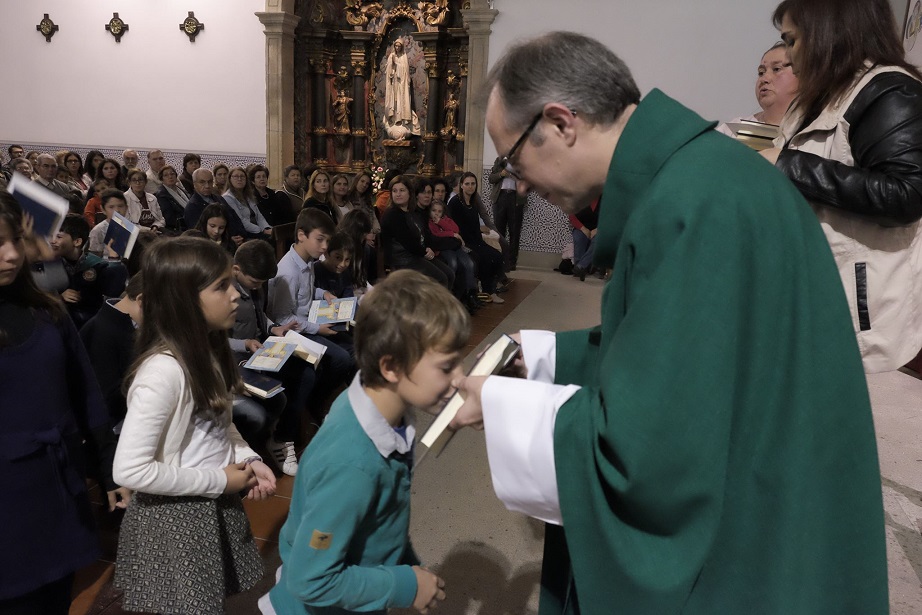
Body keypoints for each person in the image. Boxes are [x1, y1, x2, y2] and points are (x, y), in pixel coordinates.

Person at [449, 31, 888, 614]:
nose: (519, 184)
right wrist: (549, 358)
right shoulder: (703, 175)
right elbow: (681, 353)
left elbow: (652, 455)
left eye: (512, 160)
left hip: (749, 543)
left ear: (559, 123)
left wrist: (507, 408)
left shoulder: (688, 205)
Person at [260, 269, 453, 615]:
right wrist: (403, 586)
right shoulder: (353, 464)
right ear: (391, 367)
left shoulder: (380, 407)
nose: (461, 379)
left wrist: (407, 566)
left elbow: (381, 516)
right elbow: (311, 580)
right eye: (446, 367)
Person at [112, 237, 276, 614]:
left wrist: (248, 457)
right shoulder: (163, 373)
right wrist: (219, 481)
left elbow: (218, 423)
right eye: (221, 286)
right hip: (176, 517)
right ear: (184, 299)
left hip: (208, 499)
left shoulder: (206, 352)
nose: (234, 295)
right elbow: (130, 469)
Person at [761, 0, 922, 374]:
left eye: (792, 40)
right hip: (809, 293)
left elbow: (906, 195)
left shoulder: (890, 91)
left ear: (826, 32)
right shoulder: (815, 100)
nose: (789, 55)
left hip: (858, 311)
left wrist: (787, 164)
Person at [0, 191, 127, 615]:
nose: (11, 255)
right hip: (7, 501)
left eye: (16, 240)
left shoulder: (45, 309)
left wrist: (108, 467)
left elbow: (85, 389)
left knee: (56, 597)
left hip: (56, 489)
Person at [228, 240, 314, 476]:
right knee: (274, 398)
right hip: (237, 359)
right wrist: (244, 343)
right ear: (236, 270)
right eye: (255, 282)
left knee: (305, 372)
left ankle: (282, 437)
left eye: (262, 283)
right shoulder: (226, 294)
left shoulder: (255, 286)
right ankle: (255, 450)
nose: (259, 287)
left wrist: (273, 327)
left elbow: (259, 315)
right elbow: (215, 339)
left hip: (259, 350)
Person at [80, 271, 145, 434]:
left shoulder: (126, 324)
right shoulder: (102, 332)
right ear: (142, 300)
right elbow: (106, 398)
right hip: (114, 431)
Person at [49, 214, 126, 329]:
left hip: (91, 322)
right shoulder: (49, 264)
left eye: (58, 237)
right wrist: (58, 297)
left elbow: (113, 290)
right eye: (51, 236)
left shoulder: (96, 265)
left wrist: (114, 260)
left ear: (77, 242)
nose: (52, 241)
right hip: (61, 322)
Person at [380, 175, 454, 290]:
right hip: (402, 260)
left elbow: (421, 235)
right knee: (440, 278)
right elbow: (408, 242)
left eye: (402, 190)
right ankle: (433, 302)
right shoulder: (392, 214)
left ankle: (444, 301)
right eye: (394, 191)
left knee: (449, 274)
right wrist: (424, 251)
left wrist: (426, 248)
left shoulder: (410, 212)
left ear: (410, 193)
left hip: (414, 255)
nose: (398, 194)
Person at [447, 172, 506, 303]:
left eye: (473, 184)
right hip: (464, 242)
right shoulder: (455, 202)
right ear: (461, 185)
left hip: (476, 240)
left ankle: (489, 289)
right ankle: (488, 291)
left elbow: (475, 225)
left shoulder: (473, 202)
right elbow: (453, 225)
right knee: (484, 258)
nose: (470, 187)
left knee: (497, 256)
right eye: (467, 184)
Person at [718, 42, 799, 136]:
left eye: (776, 69)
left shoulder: (812, 131)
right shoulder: (733, 131)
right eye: (761, 72)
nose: (764, 79)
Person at [184, 167, 247, 245]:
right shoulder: (192, 207)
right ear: (194, 184)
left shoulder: (219, 198)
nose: (207, 186)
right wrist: (228, 241)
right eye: (202, 182)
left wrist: (241, 235)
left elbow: (235, 218)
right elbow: (199, 236)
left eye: (210, 182)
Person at [488, 155, 526, 270]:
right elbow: (491, 179)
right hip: (500, 197)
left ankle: (511, 261)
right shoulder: (499, 160)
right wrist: (501, 174)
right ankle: (500, 259)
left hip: (515, 199)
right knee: (499, 231)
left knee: (515, 232)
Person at [224, 166, 273, 240]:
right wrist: (262, 230)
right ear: (230, 179)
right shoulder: (228, 197)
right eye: (236, 176)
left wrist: (267, 228)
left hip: (257, 231)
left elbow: (259, 216)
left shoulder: (248, 195)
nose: (239, 179)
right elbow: (240, 220)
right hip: (244, 233)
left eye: (242, 176)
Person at [338, 208, 376, 291]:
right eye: (362, 235)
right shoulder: (337, 248)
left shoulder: (364, 249)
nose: (363, 239)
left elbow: (362, 280)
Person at [88, 189, 129, 257]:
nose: (117, 210)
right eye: (111, 207)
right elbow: (94, 257)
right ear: (103, 209)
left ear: (126, 207)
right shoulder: (98, 231)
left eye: (120, 206)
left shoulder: (130, 227)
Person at [124, 168, 165, 233]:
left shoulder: (152, 198)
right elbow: (127, 223)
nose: (138, 183)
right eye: (134, 180)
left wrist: (155, 227)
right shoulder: (124, 199)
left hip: (155, 231)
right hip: (135, 233)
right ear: (129, 182)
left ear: (145, 182)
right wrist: (149, 230)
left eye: (140, 180)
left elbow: (161, 219)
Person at [384, 40, 413, 129]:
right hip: (394, 82)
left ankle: (400, 118)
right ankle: (394, 118)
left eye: (399, 46)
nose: (397, 48)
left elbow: (405, 71)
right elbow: (388, 71)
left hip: (401, 83)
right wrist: (391, 66)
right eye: (396, 46)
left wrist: (396, 63)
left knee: (400, 99)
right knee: (394, 99)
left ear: (402, 47)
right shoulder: (391, 56)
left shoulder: (404, 57)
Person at [154, 164, 190, 234]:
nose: (170, 177)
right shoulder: (161, 195)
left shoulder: (180, 189)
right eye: (166, 175)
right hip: (177, 229)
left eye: (172, 174)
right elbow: (169, 218)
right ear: (162, 179)